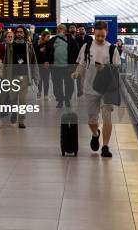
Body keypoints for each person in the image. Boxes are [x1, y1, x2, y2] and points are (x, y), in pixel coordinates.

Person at [72, 21, 121, 158]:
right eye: (98, 35)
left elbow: (117, 67)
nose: (100, 38)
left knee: (107, 116)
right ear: (94, 32)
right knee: (92, 120)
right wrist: (77, 73)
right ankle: (95, 134)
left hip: (107, 88)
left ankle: (105, 146)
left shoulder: (112, 49)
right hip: (90, 86)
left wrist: (105, 69)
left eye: (102, 36)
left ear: (107, 33)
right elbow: (81, 64)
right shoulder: (87, 47)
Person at [3, 25, 38, 128]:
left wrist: (36, 76)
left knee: (22, 100)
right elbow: (5, 62)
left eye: (21, 32)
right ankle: (14, 113)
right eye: (17, 32)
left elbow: (33, 61)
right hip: (12, 76)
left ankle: (21, 120)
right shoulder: (10, 46)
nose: (19, 34)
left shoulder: (29, 46)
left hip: (25, 76)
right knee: (13, 98)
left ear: (24, 34)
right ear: (15, 33)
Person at [45, 24, 79, 108]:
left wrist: (77, 62)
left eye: (61, 28)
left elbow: (76, 51)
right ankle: (60, 100)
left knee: (69, 84)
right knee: (57, 84)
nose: (58, 30)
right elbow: (47, 51)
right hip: (55, 67)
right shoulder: (52, 40)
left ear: (65, 30)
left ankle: (67, 99)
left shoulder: (71, 40)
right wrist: (46, 61)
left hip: (68, 66)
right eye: (57, 28)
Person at [35, 30, 51, 100]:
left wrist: (48, 62)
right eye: (47, 37)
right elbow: (34, 53)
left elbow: (51, 54)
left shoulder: (49, 44)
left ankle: (46, 94)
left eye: (49, 37)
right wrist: (39, 50)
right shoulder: (38, 44)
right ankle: (39, 92)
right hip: (39, 64)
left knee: (46, 80)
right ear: (43, 36)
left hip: (47, 65)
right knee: (40, 79)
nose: (48, 38)